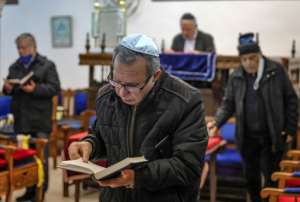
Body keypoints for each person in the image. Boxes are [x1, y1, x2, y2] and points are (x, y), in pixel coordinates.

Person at [68, 33, 208, 202]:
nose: (121, 92)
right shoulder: (106, 95)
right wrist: (89, 144)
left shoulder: (185, 100)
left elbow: (188, 166)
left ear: (155, 76)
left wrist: (137, 177)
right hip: (115, 197)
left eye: (132, 85)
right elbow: (103, 134)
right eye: (116, 81)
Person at [207, 32, 298, 202]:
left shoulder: (275, 71)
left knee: (271, 178)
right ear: (240, 60)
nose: (249, 63)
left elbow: (292, 100)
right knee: (251, 179)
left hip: (272, 135)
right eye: (245, 59)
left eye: (252, 58)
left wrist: (291, 129)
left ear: (259, 55)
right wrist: (216, 123)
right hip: (247, 137)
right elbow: (228, 104)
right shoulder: (236, 76)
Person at [3, 33, 61, 202]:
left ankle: (39, 194)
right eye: (18, 49)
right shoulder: (15, 66)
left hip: (39, 120)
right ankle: (28, 192)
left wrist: (35, 89)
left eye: (23, 48)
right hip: (21, 119)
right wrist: (7, 88)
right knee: (25, 158)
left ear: (33, 47)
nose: (20, 52)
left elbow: (54, 89)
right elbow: (9, 88)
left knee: (40, 159)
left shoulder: (47, 65)